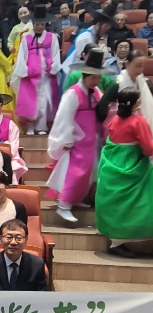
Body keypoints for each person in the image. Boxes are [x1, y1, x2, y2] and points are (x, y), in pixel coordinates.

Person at [47, 49, 110, 223]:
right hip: (76, 139)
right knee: (75, 172)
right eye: (93, 77)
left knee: (89, 173)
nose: (96, 81)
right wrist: (66, 139)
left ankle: (76, 199)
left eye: (98, 77)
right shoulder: (73, 93)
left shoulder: (96, 91)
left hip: (91, 139)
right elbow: (64, 117)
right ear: (85, 75)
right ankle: (63, 205)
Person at [96, 87, 153, 258]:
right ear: (136, 103)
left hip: (112, 164)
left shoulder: (114, 120)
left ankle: (116, 242)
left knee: (118, 204)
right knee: (144, 201)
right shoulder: (138, 121)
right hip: (134, 164)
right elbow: (149, 148)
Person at [11, 5, 60, 135]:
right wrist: (25, 71)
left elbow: (56, 54)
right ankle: (31, 127)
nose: (39, 27)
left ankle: (41, 127)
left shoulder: (52, 37)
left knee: (44, 101)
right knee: (30, 101)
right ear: (33, 24)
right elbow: (22, 57)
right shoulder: (26, 39)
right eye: (37, 24)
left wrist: (53, 68)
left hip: (47, 76)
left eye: (42, 24)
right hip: (30, 76)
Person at [96, 50, 149, 137]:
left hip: (137, 128)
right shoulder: (117, 84)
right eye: (137, 66)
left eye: (142, 66)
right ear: (127, 64)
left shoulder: (141, 84)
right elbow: (102, 108)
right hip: (117, 130)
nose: (139, 69)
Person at [60, 4, 116, 76]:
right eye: (106, 26)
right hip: (74, 74)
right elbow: (85, 63)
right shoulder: (86, 38)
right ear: (99, 24)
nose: (106, 30)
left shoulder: (93, 35)